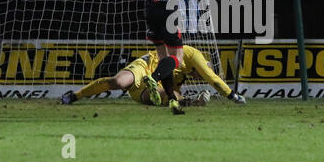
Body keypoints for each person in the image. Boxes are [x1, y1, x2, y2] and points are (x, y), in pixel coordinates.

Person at [60, 45, 246, 107]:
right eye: (203, 72)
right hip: (144, 68)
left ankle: (191, 102)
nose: (201, 76)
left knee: (169, 96)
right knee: (117, 82)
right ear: (201, 66)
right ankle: (75, 95)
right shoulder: (193, 55)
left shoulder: (183, 75)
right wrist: (231, 95)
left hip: (149, 89)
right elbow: (213, 79)